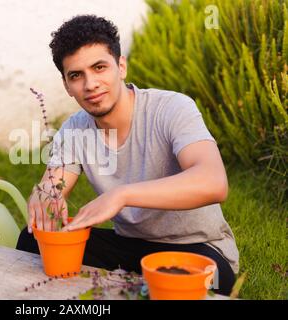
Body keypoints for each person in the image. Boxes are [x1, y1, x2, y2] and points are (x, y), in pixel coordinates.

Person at [16, 14, 239, 296]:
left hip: (196, 248)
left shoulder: (172, 108)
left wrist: (121, 194)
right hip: (130, 248)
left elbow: (213, 182)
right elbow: (54, 185)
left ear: (121, 67)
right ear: (66, 85)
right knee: (31, 239)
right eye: (76, 75)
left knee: (203, 282)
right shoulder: (74, 129)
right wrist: (45, 193)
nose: (90, 84)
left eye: (99, 67)